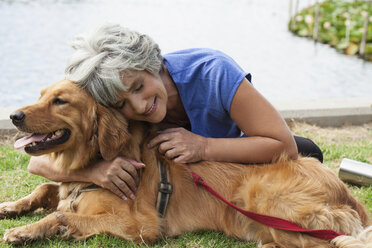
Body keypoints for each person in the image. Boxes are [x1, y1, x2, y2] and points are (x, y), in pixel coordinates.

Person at [27, 24, 323, 201]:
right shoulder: (110, 99)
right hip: (181, 188)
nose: (139, 106)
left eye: (139, 85)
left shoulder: (213, 71)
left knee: (308, 151)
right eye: (122, 105)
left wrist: (202, 145)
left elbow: (285, 146)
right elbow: (36, 166)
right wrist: (96, 172)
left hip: (231, 165)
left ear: (151, 61)